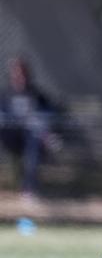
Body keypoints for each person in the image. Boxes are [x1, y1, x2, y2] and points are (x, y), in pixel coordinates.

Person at [0, 57, 59, 198]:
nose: (20, 78)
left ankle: (29, 189)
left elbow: (50, 111)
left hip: (30, 138)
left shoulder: (36, 94)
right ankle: (48, 138)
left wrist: (38, 119)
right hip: (10, 137)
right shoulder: (5, 95)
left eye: (23, 74)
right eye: (17, 74)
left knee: (35, 134)